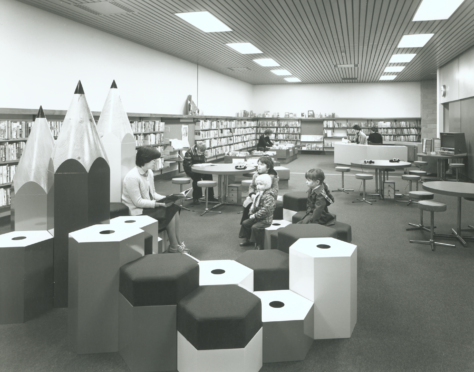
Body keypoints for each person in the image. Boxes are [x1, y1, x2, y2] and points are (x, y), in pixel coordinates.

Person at [122, 146, 188, 254]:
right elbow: (137, 202)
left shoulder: (149, 173)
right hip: (137, 211)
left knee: (174, 208)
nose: (155, 163)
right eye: (154, 160)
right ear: (145, 160)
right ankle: (174, 246)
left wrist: (170, 197)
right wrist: (159, 205)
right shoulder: (132, 177)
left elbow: (153, 194)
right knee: (169, 211)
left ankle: (178, 243)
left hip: (147, 206)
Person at [240, 156, 279, 247]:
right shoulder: (255, 175)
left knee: (257, 207)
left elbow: (275, 190)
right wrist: (252, 194)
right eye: (258, 164)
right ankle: (247, 236)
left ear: (268, 167)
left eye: (262, 165)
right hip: (255, 196)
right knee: (247, 206)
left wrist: (263, 194)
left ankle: (254, 235)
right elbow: (252, 186)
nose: (259, 166)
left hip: (265, 196)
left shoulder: (273, 177)